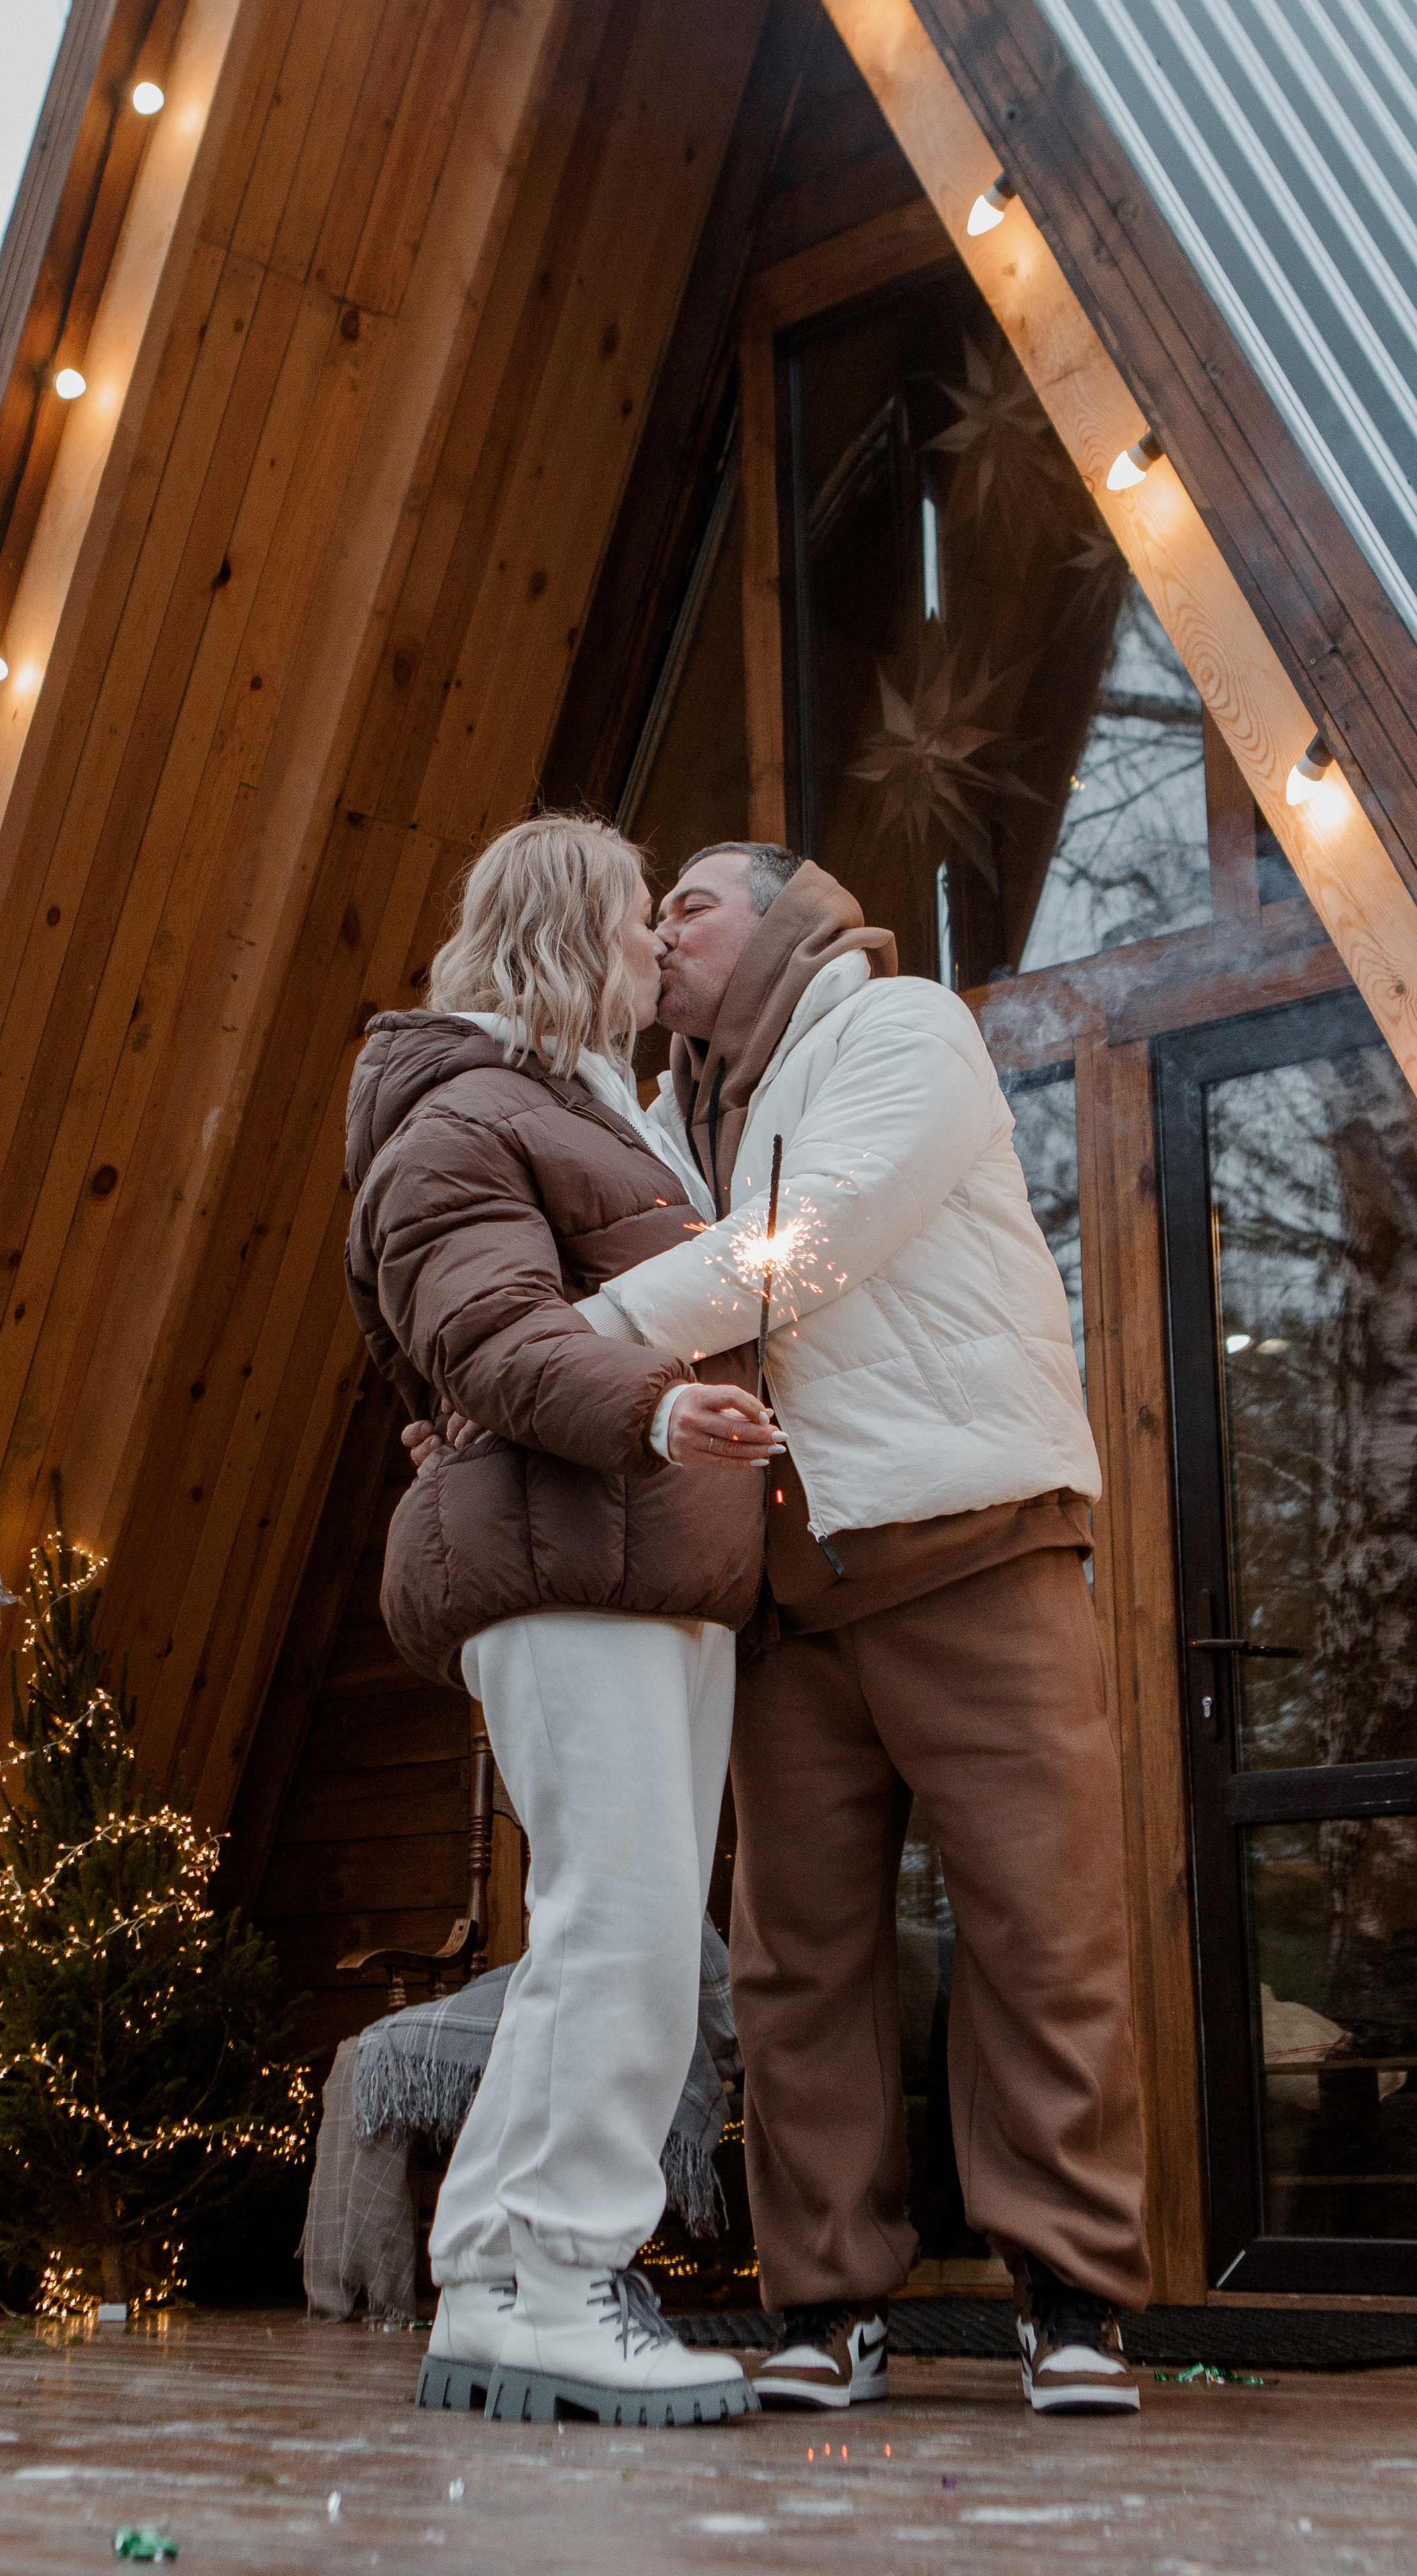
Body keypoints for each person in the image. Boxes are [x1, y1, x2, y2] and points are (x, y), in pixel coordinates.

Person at [421, 839, 1149, 2416]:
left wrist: (571, 1347)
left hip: (966, 1540)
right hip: (784, 1589)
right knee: (793, 1960)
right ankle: (825, 2302)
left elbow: (812, 1239)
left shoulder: (899, 1030)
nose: (655, 932)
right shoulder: (673, 1107)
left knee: (1040, 1925)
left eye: (686, 902)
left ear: (785, 914)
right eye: (646, 910)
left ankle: (1072, 2295)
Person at [343, 815, 776, 2428]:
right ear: (559, 936)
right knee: (629, 1924)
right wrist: (659, 1418)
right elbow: (486, 1334)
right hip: (564, 1553)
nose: (655, 953)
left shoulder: (602, 1110)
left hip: (648, 1565)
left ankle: (501, 2282)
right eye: (629, 923)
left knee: (618, 1929)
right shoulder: (458, 1111)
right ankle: (564, 2270)